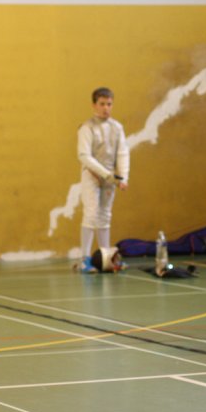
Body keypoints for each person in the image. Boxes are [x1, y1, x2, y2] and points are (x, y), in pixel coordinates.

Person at [78, 87, 130, 274]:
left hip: (109, 178)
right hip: (91, 176)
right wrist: (105, 174)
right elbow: (84, 155)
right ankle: (84, 259)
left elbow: (122, 153)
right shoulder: (87, 128)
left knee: (105, 216)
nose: (106, 108)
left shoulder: (117, 128)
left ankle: (107, 257)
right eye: (102, 104)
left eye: (109, 104)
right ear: (94, 105)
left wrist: (123, 176)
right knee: (91, 214)